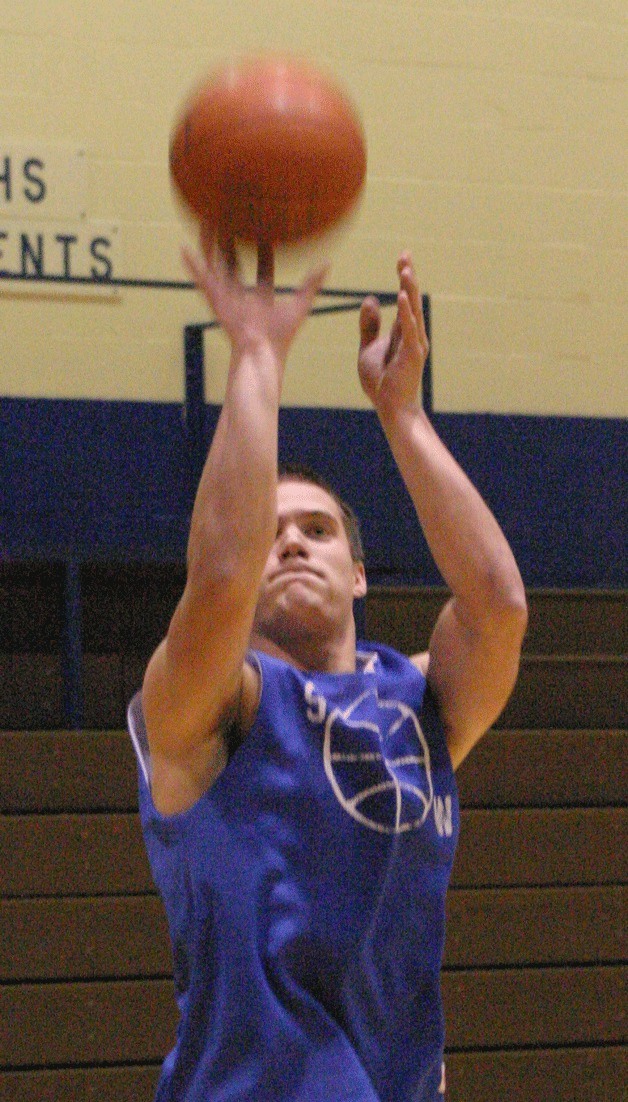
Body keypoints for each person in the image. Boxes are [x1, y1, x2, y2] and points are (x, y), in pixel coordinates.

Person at [128, 237, 528, 1102]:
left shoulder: (419, 703)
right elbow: (223, 575)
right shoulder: (205, 710)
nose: (291, 543)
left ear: (357, 573)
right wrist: (257, 357)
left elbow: (498, 605)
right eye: (272, 529)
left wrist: (403, 416)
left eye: (317, 529)